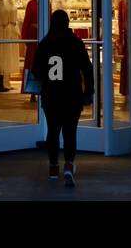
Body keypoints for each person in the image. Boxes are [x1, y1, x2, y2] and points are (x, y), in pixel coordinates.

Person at [32, 10, 94, 187]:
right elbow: (87, 68)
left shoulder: (45, 43)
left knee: (53, 131)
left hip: (51, 95)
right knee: (70, 132)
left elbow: (36, 70)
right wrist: (89, 90)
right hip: (71, 94)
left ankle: (53, 167)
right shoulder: (75, 42)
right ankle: (68, 165)